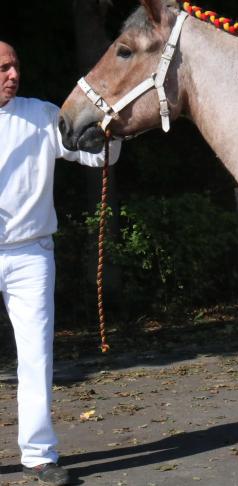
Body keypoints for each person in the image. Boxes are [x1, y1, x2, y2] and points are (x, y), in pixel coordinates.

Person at [1, 40, 120, 485]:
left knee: (35, 356)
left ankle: (39, 455)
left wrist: (110, 132)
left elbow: (94, 155)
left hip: (31, 253)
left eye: (15, 66)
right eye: (2, 68)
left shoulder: (42, 114)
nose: (13, 74)